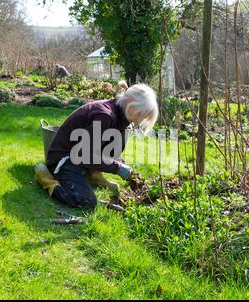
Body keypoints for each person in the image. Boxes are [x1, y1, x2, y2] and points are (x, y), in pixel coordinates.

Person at [35, 81, 159, 209]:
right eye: (139, 114)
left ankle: (93, 174)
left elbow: (111, 149)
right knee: (87, 201)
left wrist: (123, 165)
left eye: (142, 117)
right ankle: (47, 179)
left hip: (80, 156)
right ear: (130, 101)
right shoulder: (104, 116)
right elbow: (83, 154)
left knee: (118, 140)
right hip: (63, 158)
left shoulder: (119, 116)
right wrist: (117, 168)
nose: (139, 121)